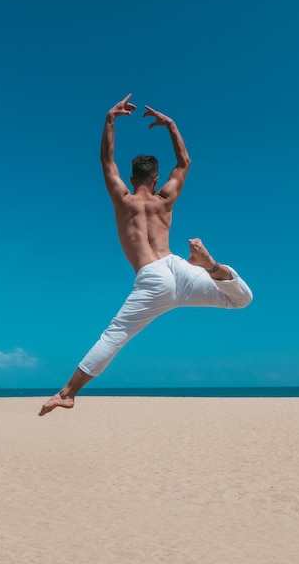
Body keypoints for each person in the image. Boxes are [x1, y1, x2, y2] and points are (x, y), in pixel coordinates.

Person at [39, 94, 253, 416]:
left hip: (152, 276)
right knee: (241, 300)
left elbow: (105, 160)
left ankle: (68, 393)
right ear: (155, 180)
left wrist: (110, 119)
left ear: (130, 179)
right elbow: (184, 163)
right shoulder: (164, 200)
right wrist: (171, 125)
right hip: (181, 268)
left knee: (115, 336)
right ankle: (212, 266)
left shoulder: (123, 200)